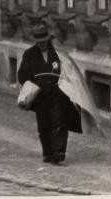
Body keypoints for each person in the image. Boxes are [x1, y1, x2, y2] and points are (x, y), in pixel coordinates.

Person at [18, 23, 81, 164]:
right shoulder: (29, 54)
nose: (42, 44)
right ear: (35, 41)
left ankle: (59, 152)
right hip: (40, 97)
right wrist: (32, 85)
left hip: (58, 94)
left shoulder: (58, 53)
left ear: (48, 39)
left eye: (44, 41)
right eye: (39, 42)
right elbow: (22, 75)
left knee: (60, 122)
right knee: (43, 125)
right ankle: (47, 153)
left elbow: (68, 70)